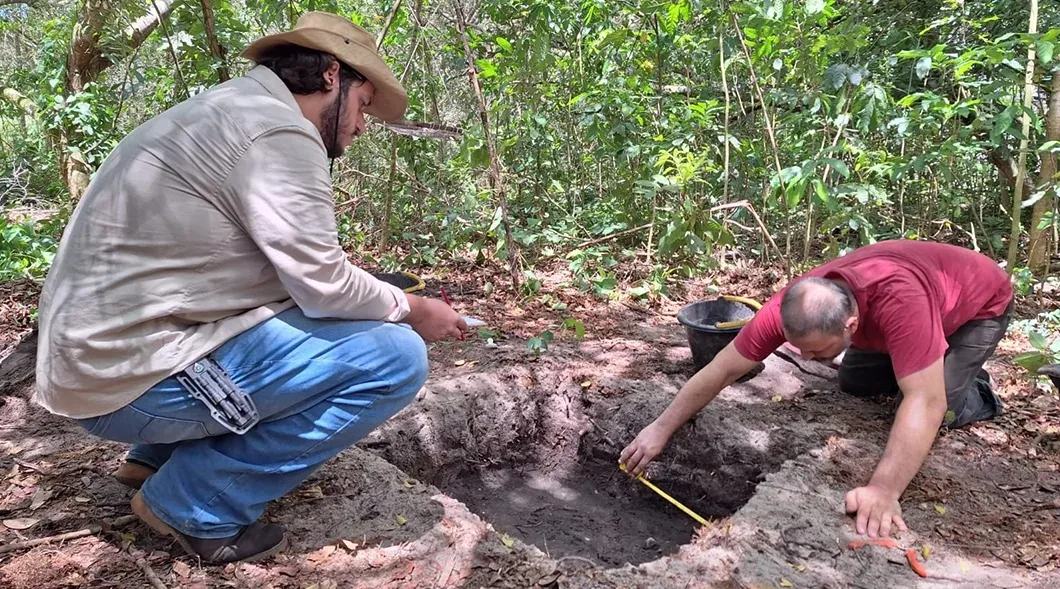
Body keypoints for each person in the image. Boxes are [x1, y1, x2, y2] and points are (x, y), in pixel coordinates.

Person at [33, 12, 467, 564]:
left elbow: (267, 272)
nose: (361, 126)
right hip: (125, 380)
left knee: (358, 318)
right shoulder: (279, 131)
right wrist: (411, 309)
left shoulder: (227, 109)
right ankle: (193, 504)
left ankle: (156, 458)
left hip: (99, 364)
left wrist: (379, 293)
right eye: (363, 106)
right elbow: (324, 287)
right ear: (332, 76)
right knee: (395, 357)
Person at [620, 240, 1013, 539]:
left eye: (815, 350)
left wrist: (882, 489)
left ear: (851, 326)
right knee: (854, 382)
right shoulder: (793, 306)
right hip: (913, 315)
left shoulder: (901, 302)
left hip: (978, 306)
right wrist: (660, 428)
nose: (806, 359)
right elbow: (720, 370)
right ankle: (926, 362)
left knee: (937, 407)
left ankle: (976, 390)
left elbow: (925, 402)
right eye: (799, 348)